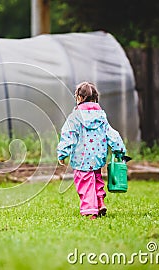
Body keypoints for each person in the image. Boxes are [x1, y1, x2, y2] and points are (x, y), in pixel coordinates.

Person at [57, 82, 126, 220]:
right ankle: (100, 203)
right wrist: (119, 150)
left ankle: (90, 211)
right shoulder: (101, 116)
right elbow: (111, 133)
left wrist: (62, 153)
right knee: (96, 179)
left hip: (81, 159)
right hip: (98, 156)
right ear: (95, 98)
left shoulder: (75, 117)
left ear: (79, 98)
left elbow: (68, 135)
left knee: (85, 183)